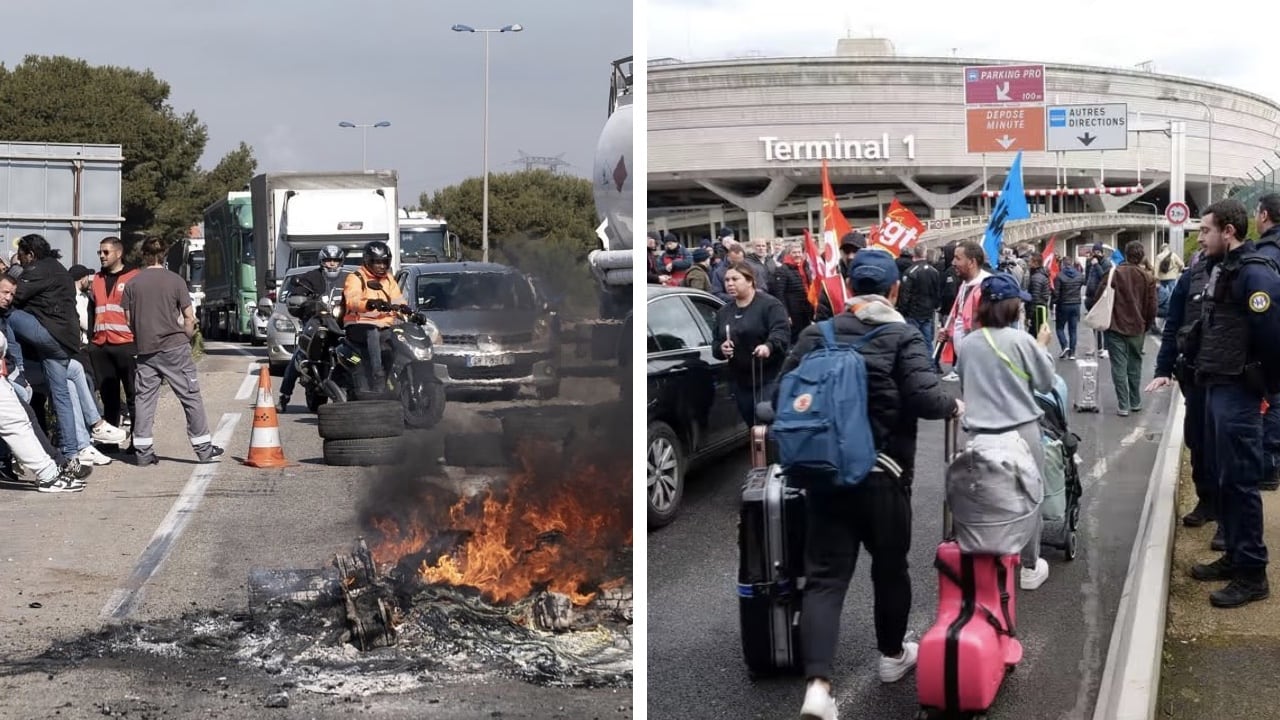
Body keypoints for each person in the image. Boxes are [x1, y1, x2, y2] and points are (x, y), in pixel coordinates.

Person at [784, 248, 963, 720]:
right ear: (894, 289)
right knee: (890, 568)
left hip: (823, 477)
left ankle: (818, 689)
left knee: (824, 579)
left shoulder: (814, 333)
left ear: (848, 284)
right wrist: (952, 406)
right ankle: (891, 656)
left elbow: (779, 397)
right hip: (884, 475)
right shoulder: (901, 335)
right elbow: (925, 397)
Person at [1171, 198, 1280, 608]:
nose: (1200, 238)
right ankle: (1235, 556)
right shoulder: (1224, 268)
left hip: (1238, 389)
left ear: (1228, 232)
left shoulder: (1256, 274)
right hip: (1216, 384)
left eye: (1205, 230)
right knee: (1224, 479)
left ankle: (1252, 573)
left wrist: (1264, 386)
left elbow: (1271, 336)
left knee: (1240, 482)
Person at [956, 272, 1057, 590]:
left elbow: (964, 384)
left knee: (982, 499)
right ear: (1014, 308)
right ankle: (1028, 566)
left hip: (979, 435)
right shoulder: (1022, 341)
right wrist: (1041, 347)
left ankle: (985, 562)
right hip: (1021, 433)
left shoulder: (969, 344)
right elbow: (1044, 383)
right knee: (1028, 498)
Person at [122, 237, 222, 466]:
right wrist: (186, 337)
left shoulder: (132, 284)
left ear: (144, 255)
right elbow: (189, 317)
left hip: (146, 350)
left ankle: (143, 452)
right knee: (190, 396)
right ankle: (204, 450)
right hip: (174, 347)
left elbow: (129, 321)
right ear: (164, 254)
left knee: (145, 400)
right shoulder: (175, 281)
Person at [1146, 236, 1217, 541]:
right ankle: (1207, 501)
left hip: (1234, 379)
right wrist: (1163, 368)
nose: (1200, 237)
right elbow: (1173, 325)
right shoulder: (1190, 277)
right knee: (1198, 442)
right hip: (1195, 375)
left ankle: (1228, 518)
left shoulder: (1246, 274)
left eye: (1206, 230)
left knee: (1229, 450)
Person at [710, 262, 789, 427]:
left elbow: (781, 332)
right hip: (740, 381)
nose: (730, 283)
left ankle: (775, 452)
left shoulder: (770, 305)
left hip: (769, 376)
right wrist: (721, 348)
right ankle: (759, 453)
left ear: (750, 281)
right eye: (726, 280)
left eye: (735, 279)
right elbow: (716, 344)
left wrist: (769, 346)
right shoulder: (724, 312)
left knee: (766, 421)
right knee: (753, 426)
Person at [277, 245, 347, 412]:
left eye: (335, 260)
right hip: (317, 321)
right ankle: (284, 397)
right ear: (321, 261)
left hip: (341, 321)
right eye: (328, 260)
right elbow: (296, 295)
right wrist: (307, 303)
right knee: (299, 355)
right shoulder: (310, 277)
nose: (332, 264)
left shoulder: (348, 279)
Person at [1090, 241, 1158, 416]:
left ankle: (1123, 405)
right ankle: (1135, 401)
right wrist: (1146, 325)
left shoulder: (1113, 273)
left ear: (1126, 254)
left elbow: (1098, 296)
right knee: (1135, 365)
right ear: (1142, 256)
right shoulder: (1147, 277)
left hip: (1115, 326)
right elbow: (1152, 307)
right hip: (1138, 327)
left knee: (1118, 366)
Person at [87, 236, 140, 439]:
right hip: (101, 345)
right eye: (100, 252)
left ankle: (138, 440)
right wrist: (92, 342)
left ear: (119, 253)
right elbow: (93, 309)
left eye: (106, 252)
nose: (101, 256)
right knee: (109, 397)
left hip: (126, 344)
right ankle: (110, 439)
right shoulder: (97, 279)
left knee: (134, 395)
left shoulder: (134, 277)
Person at [341, 241, 407, 393]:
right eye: (377, 262)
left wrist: (408, 312)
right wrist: (369, 304)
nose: (382, 266)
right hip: (358, 325)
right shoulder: (356, 277)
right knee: (372, 331)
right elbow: (352, 300)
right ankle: (377, 375)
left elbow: (398, 300)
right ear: (367, 261)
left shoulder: (389, 279)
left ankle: (397, 377)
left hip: (384, 326)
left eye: (385, 262)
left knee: (400, 336)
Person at [1252, 193, 1280, 491]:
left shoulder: (1266, 254)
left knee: (1271, 404)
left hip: (1273, 339)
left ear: (1264, 215)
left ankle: (1269, 467)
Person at [938, 241, 992, 381]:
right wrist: (950, 333)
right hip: (967, 363)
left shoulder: (986, 287)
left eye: (958, 258)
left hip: (980, 365)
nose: (953, 262)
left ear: (972, 262)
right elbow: (961, 318)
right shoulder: (964, 284)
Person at [898, 243, 942, 372]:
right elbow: (937, 292)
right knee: (927, 342)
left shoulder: (910, 272)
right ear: (924, 253)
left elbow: (905, 294)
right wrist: (935, 306)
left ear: (914, 255)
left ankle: (914, 367)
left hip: (913, 312)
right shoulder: (934, 272)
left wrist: (902, 311)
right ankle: (930, 366)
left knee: (912, 341)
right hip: (928, 312)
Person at [1052, 258, 1085, 360]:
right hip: (1076, 304)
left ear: (1062, 265)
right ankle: (1072, 353)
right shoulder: (1079, 275)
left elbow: (1056, 293)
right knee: (1073, 330)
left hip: (1063, 304)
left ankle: (1064, 346)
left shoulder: (1059, 276)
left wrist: (1053, 303)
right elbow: (1081, 285)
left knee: (1060, 328)